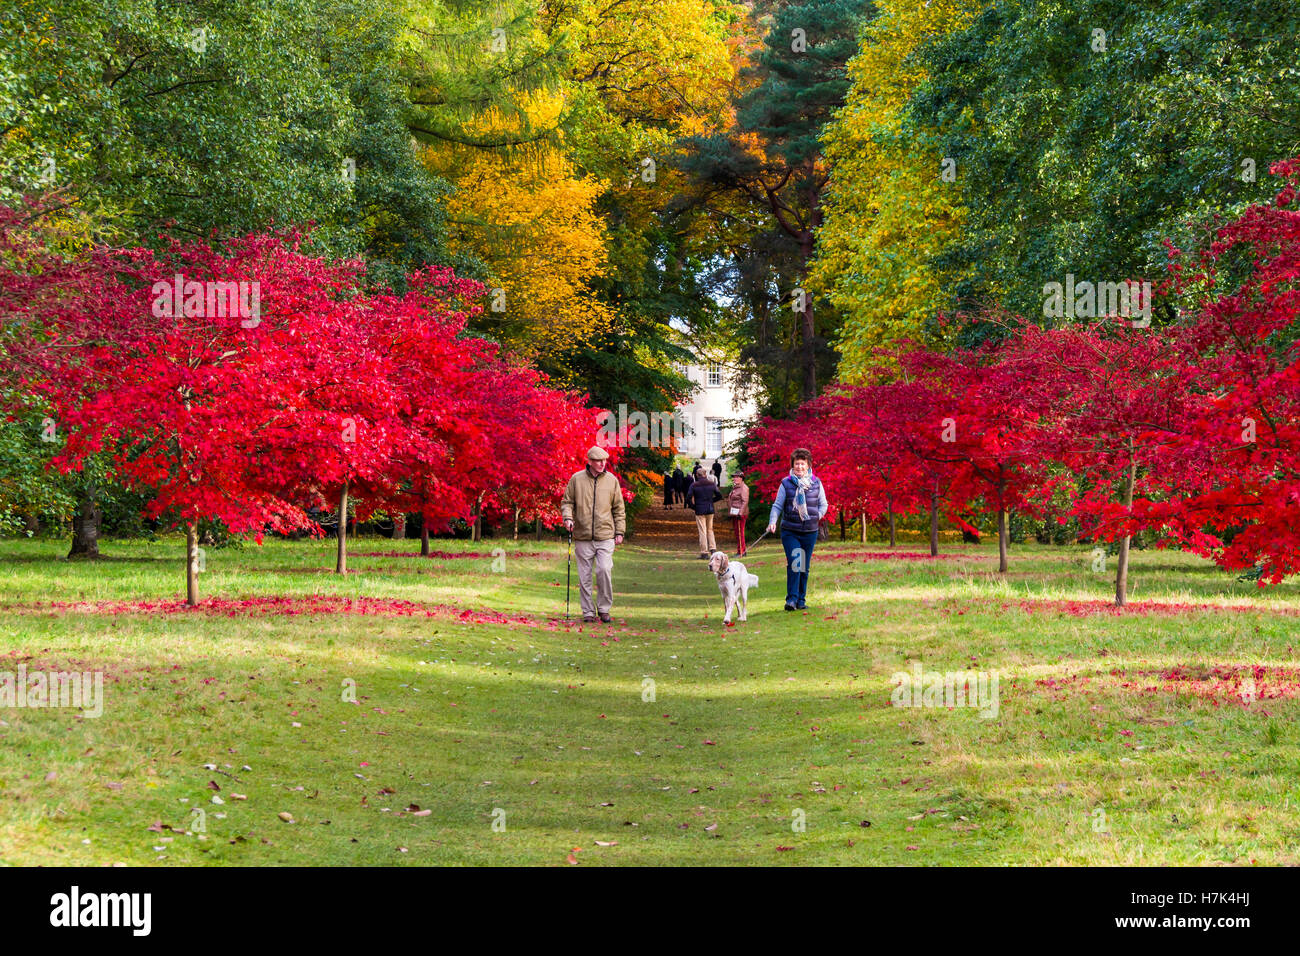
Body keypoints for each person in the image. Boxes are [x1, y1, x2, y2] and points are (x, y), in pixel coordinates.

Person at [561, 446, 626, 623]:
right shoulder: (577, 479)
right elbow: (567, 502)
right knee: (584, 577)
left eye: (604, 461)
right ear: (589, 461)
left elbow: (619, 508)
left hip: (606, 535)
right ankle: (588, 611)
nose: (602, 464)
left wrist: (620, 531)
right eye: (598, 461)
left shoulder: (612, 481)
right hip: (583, 536)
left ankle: (604, 609)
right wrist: (567, 518)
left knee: (604, 570)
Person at [766, 448, 829, 611]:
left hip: (810, 531)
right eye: (797, 464)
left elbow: (824, 504)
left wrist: (817, 516)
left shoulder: (816, 482)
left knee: (804, 566)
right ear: (792, 466)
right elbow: (777, 505)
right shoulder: (786, 483)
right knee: (795, 562)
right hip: (790, 530)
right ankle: (791, 600)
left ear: (808, 465)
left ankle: (801, 599)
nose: (800, 467)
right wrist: (772, 521)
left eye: (803, 463)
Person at [685, 470, 723, 559]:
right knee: (710, 529)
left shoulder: (694, 485)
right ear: (705, 474)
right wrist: (711, 501)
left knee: (702, 531)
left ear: (697, 475)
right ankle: (713, 549)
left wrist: (693, 506)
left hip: (700, 510)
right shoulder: (711, 484)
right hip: (710, 509)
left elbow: (688, 498)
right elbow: (719, 496)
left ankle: (704, 552)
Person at [727, 472, 750, 556]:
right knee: (737, 533)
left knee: (740, 533)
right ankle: (741, 550)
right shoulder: (736, 487)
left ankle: (741, 552)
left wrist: (740, 513)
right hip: (735, 513)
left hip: (740, 514)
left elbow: (745, 501)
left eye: (736, 477)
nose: (734, 479)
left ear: (741, 478)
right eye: (734, 477)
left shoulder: (744, 488)